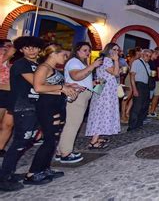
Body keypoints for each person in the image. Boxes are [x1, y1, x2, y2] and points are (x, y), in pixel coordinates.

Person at [29, 43, 79, 185]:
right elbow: (38, 87)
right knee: (49, 140)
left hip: (56, 104)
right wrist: (62, 87)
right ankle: (32, 172)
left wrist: (69, 88)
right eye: (63, 55)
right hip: (47, 107)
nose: (65, 58)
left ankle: (45, 168)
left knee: (54, 139)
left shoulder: (53, 69)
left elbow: (52, 86)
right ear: (53, 54)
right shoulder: (43, 68)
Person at [0, 37, 44, 191]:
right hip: (23, 107)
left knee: (29, 139)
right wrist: (60, 87)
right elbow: (38, 83)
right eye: (27, 48)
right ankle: (3, 177)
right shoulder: (21, 64)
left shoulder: (37, 65)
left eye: (34, 48)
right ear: (21, 50)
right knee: (20, 141)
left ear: (39, 49)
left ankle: (9, 172)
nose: (31, 50)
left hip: (34, 106)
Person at [56, 42, 102, 163]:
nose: (87, 53)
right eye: (84, 50)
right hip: (77, 95)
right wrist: (93, 66)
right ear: (77, 51)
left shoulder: (81, 63)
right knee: (73, 124)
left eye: (88, 51)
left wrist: (92, 84)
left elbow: (82, 79)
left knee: (72, 123)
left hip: (82, 94)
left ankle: (61, 151)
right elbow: (76, 76)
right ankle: (66, 153)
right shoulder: (74, 62)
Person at [86, 43, 121, 146]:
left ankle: (97, 136)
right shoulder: (107, 60)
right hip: (106, 89)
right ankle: (94, 141)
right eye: (114, 49)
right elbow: (116, 73)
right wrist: (116, 60)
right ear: (108, 49)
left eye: (117, 50)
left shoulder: (102, 60)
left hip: (100, 85)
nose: (116, 52)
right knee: (102, 112)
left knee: (98, 110)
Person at [127, 49, 152, 131]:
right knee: (137, 106)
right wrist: (134, 89)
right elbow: (132, 76)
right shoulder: (137, 62)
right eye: (146, 55)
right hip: (139, 85)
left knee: (144, 106)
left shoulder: (147, 64)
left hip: (146, 86)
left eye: (149, 56)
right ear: (142, 55)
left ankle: (139, 124)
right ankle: (132, 126)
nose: (148, 57)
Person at [0, 40, 15, 156]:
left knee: (8, 124)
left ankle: (0, 148)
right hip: (1, 94)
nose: (10, 49)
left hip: (11, 96)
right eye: (7, 46)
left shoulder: (12, 64)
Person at [148, 47, 159, 117]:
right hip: (156, 80)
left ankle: (150, 111)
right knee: (156, 95)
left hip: (151, 80)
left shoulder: (151, 60)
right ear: (157, 52)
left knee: (151, 96)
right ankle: (151, 111)